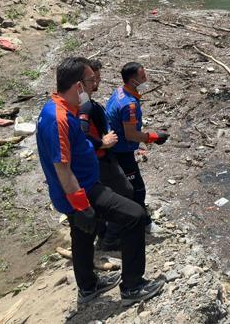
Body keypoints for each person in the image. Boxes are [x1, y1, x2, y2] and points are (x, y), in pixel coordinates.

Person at [36, 57, 164, 304]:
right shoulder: (59, 118)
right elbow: (62, 168)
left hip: (78, 188)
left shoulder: (58, 109)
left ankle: (88, 286)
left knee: (82, 234)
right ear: (78, 86)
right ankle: (133, 287)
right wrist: (82, 206)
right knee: (134, 215)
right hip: (81, 190)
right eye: (90, 80)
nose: (94, 84)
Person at [105, 62, 169, 231]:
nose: (146, 79)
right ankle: (143, 223)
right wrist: (153, 137)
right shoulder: (129, 105)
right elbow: (131, 134)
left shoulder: (119, 92)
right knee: (137, 189)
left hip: (114, 147)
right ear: (133, 81)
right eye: (142, 77)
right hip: (121, 151)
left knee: (121, 186)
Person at [79, 59, 135, 251]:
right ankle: (110, 238)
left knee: (103, 196)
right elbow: (82, 132)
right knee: (126, 192)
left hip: (99, 157)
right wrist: (102, 142)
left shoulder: (85, 102)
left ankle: (103, 232)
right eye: (94, 78)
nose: (98, 82)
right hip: (101, 159)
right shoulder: (84, 106)